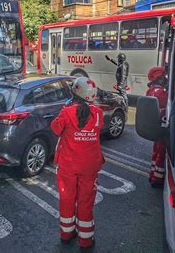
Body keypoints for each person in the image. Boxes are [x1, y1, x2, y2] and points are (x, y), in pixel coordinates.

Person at [51, 77, 104, 251]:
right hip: (89, 166)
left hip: (68, 165)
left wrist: (65, 109)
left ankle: (66, 234)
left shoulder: (66, 112)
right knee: (86, 201)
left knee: (67, 199)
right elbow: (96, 127)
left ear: (75, 92)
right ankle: (86, 240)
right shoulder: (98, 113)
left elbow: (56, 129)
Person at [146, 66, 168, 187]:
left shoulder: (150, 91)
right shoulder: (162, 93)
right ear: (158, 79)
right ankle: (157, 179)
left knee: (155, 152)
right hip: (162, 126)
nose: (165, 79)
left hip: (154, 126)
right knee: (161, 152)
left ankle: (152, 174)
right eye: (163, 77)